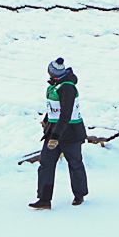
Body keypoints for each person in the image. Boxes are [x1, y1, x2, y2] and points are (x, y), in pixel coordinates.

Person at [32, 57, 88, 208]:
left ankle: (79, 195)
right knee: (46, 164)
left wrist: (55, 137)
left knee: (75, 164)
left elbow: (66, 114)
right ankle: (44, 199)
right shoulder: (56, 85)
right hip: (54, 130)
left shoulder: (67, 88)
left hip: (71, 133)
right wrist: (47, 121)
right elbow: (54, 108)